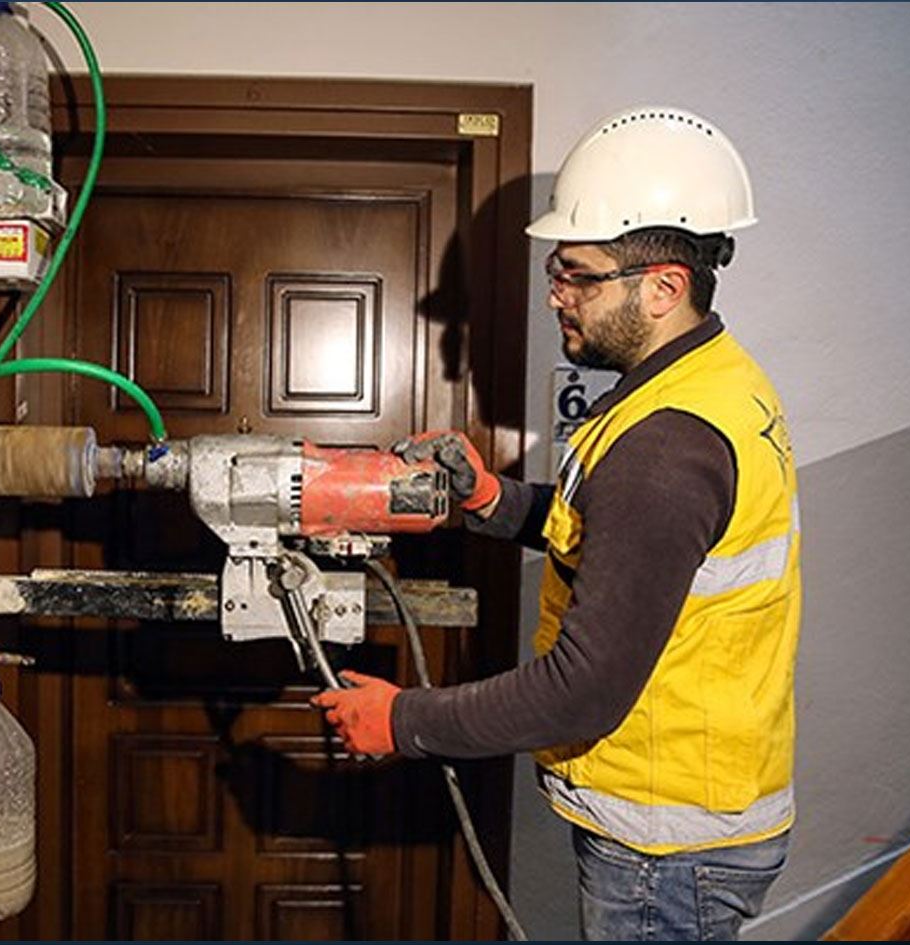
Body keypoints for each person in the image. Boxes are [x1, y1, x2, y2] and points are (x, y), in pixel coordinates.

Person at [313, 106, 800, 942]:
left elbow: (584, 689)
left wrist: (404, 720)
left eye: (578, 276)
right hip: (691, 819)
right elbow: (617, 541)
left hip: (663, 849)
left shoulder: (667, 445)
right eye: (556, 271)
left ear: (663, 287)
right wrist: (489, 498)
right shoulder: (711, 383)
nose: (555, 295)